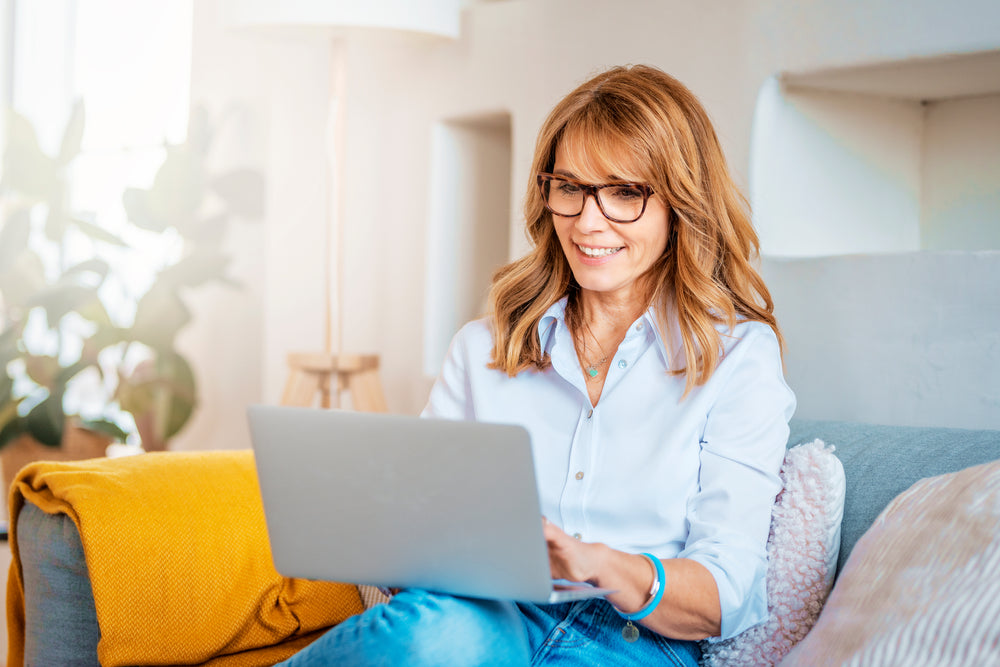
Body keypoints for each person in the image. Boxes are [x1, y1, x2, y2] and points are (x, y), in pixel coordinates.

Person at [280, 64, 795, 667]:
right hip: (484, 615)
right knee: (436, 636)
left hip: (631, 642)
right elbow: (416, 528)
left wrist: (600, 564)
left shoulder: (739, 358)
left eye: (625, 192)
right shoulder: (483, 348)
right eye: (569, 187)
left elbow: (724, 595)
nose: (588, 220)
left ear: (680, 204)